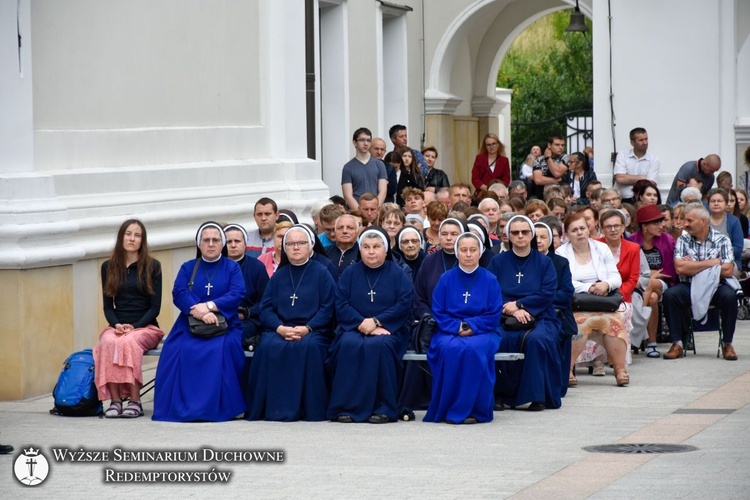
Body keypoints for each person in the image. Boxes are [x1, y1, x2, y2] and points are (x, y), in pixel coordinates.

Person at [153, 222, 246, 422]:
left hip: (225, 324)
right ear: (199, 244)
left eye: (215, 240)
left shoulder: (232, 267)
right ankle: (180, 405)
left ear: (222, 244)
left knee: (224, 348)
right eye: (206, 240)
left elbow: (237, 292)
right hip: (190, 323)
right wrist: (200, 312)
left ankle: (223, 407)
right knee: (175, 349)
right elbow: (178, 292)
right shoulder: (188, 267)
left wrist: (210, 306)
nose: (211, 244)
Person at [245, 225, 336, 421]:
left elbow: (329, 307)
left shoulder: (322, 272)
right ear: (284, 248)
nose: (296, 247)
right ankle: (272, 409)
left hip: (314, 330)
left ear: (311, 246)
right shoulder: (279, 275)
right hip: (281, 328)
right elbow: (266, 307)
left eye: (301, 243)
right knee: (268, 346)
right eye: (291, 244)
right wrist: (279, 327)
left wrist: (307, 328)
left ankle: (310, 410)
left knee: (310, 347)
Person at [327, 228, 413, 423]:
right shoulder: (350, 272)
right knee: (348, 344)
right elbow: (340, 303)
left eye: (376, 247)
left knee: (380, 346)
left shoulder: (398, 273)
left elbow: (404, 303)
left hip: (390, 329)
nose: (371, 252)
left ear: (385, 249)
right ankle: (346, 407)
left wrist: (376, 322)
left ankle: (383, 408)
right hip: (354, 327)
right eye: (366, 247)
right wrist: (361, 323)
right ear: (360, 249)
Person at [424, 233, 503, 424]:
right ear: (457, 253)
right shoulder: (446, 279)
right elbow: (438, 310)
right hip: (449, 330)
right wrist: (457, 327)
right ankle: (449, 408)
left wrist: (472, 326)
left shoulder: (490, 279)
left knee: (474, 350)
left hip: (484, 331)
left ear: (481, 252)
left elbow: (494, 313)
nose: (468, 254)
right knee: (450, 349)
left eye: (473, 250)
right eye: (464, 250)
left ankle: (476, 410)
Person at [488, 216, 563, 410]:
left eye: (524, 232)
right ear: (508, 236)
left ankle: (538, 396)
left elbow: (548, 293)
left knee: (537, 340)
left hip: (541, 316)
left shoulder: (545, 263)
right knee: (496, 339)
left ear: (531, 235)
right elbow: (490, 291)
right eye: (515, 232)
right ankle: (499, 395)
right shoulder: (497, 261)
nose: (520, 236)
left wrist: (521, 305)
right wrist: (510, 308)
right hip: (504, 315)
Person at [95, 219, 164, 418]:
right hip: (117, 326)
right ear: (121, 237)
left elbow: (155, 308)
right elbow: (108, 306)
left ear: (143, 240)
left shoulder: (153, 266)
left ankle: (135, 401)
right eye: (128, 234)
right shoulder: (108, 267)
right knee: (107, 342)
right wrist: (117, 324)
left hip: (146, 327)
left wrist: (134, 327)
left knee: (128, 342)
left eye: (137, 235)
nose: (132, 239)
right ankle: (116, 402)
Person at [556, 212, 629, 387]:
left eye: (583, 228)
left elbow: (616, 277)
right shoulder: (561, 252)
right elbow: (565, 282)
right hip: (576, 305)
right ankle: (568, 369)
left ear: (589, 229)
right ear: (567, 234)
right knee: (580, 325)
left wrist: (605, 284)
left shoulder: (601, 248)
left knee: (614, 323)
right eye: (574, 230)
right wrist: (588, 288)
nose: (580, 233)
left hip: (603, 303)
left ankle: (620, 370)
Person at [662, 203, 738, 360]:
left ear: (703, 221)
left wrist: (693, 265)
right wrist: (712, 263)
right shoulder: (683, 239)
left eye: (689, 220)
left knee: (730, 297)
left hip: (716, 286)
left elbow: (728, 270)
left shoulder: (722, 240)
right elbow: (680, 268)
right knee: (670, 295)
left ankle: (727, 344)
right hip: (689, 285)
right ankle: (677, 343)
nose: (685, 224)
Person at [535, 219, 575, 398]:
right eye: (535, 237)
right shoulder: (524, 263)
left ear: (551, 240)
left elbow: (566, 293)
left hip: (557, 314)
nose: (539, 241)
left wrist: (540, 302)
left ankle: (557, 386)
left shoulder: (560, 263)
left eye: (543, 237)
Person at [630, 205, 676, 357]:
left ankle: (636, 328)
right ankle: (652, 344)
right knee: (653, 298)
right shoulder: (631, 241)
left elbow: (670, 271)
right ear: (644, 226)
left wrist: (648, 277)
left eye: (661, 222)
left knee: (650, 284)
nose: (661, 226)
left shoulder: (667, 240)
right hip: (639, 285)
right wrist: (648, 274)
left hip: (662, 283)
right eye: (656, 223)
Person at [224, 224, 270, 342]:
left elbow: (265, 301)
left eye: (237, 241)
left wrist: (247, 313)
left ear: (245, 244)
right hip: (219, 317)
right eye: (229, 242)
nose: (233, 245)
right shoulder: (216, 267)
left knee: (233, 334)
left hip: (248, 319)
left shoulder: (257, 267)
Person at [342, 127, 388, 209]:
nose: (366, 143)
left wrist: (374, 210)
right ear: (354, 142)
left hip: (375, 211)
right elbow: (348, 196)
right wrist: (361, 213)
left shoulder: (379, 164)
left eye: (368, 140)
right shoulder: (348, 167)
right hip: (356, 213)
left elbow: (383, 192)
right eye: (362, 140)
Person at [613, 127, 660, 203]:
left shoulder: (654, 159)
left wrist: (627, 177)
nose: (645, 143)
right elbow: (619, 178)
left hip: (642, 201)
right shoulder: (623, 155)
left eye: (646, 139)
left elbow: (651, 183)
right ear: (632, 142)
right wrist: (643, 178)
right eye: (641, 140)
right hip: (622, 200)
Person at [707, 188, 744, 269]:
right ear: (708, 203)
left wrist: (716, 254)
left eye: (719, 201)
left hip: (729, 261)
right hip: (705, 260)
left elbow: (738, 248)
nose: (716, 204)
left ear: (726, 203)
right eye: (713, 201)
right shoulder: (703, 220)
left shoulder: (734, 221)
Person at [531, 135, 569, 199]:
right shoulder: (538, 160)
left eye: (562, 145)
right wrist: (558, 180)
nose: (560, 147)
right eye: (557, 145)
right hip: (542, 196)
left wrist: (548, 158)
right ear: (549, 145)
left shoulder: (566, 157)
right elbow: (538, 180)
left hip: (561, 196)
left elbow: (557, 173)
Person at [371, 137, 397, 203]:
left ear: (385, 151)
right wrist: (383, 183)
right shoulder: (363, 166)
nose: (379, 152)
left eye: (382, 149)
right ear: (369, 149)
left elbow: (392, 189)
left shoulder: (390, 168)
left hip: (385, 204)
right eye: (376, 149)